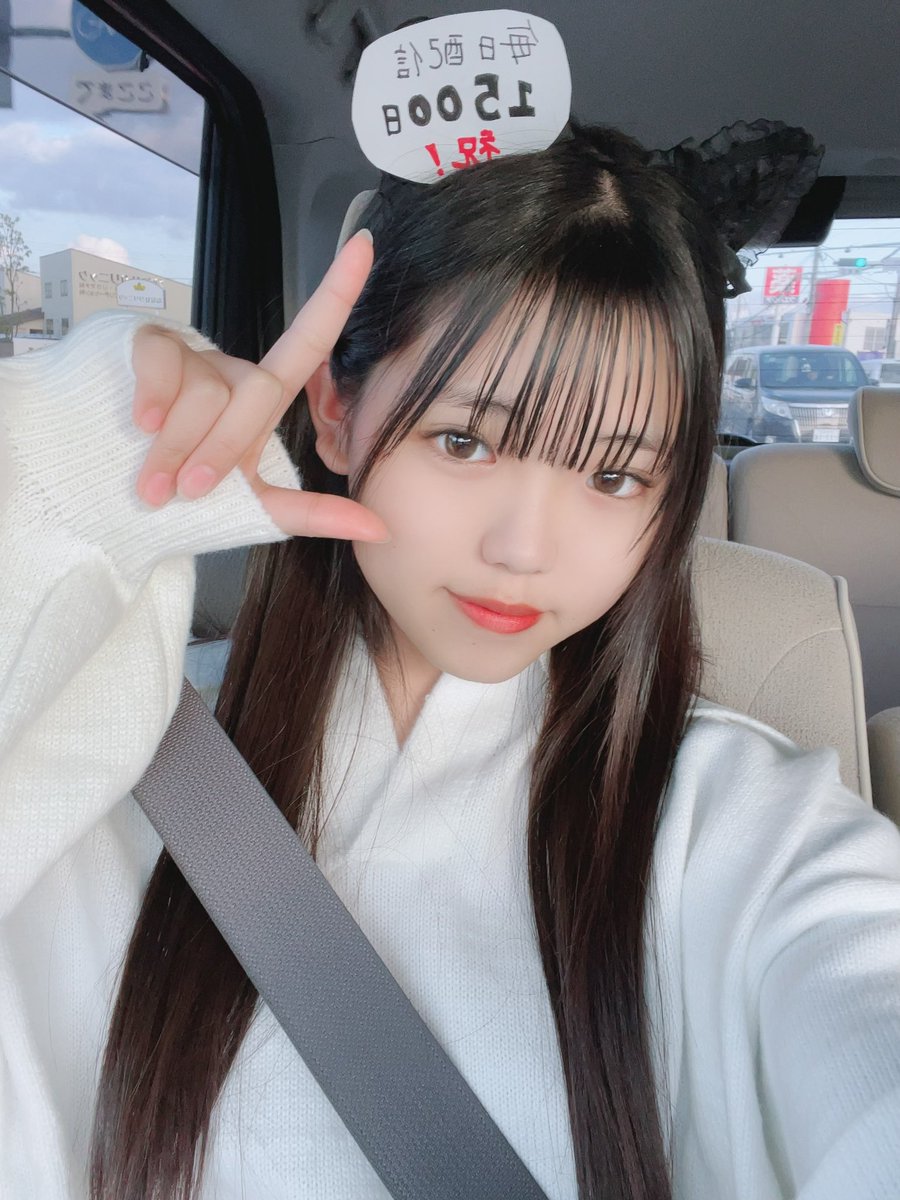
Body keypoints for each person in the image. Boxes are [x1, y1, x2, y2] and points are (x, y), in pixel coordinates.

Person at [1, 123, 899, 1200]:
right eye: (465, 441)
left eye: (615, 477)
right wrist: (47, 485)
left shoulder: (739, 817)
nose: (523, 549)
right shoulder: (98, 742)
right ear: (336, 413)